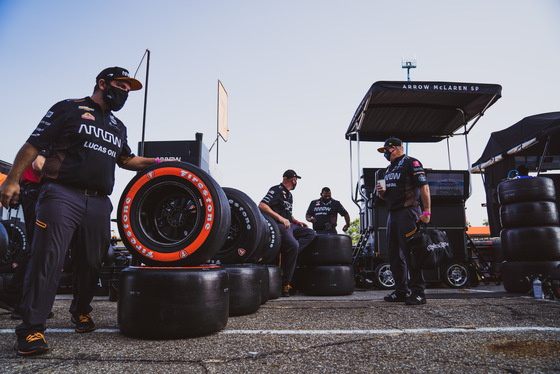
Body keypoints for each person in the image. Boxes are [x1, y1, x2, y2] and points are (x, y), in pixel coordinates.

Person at [0, 66, 162, 356]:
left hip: (99, 201)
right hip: (62, 194)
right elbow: (34, 144)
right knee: (48, 258)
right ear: (102, 83)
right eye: (120, 85)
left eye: (129, 89)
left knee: (92, 261)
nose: (125, 92)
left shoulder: (117, 126)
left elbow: (127, 160)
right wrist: (12, 179)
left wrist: (159, 162)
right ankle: (32, 328)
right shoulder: (68, 109)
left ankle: (81, 311)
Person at [375, 138, 431, 306]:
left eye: (385, 150)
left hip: (408, 212)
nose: (384, 154)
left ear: (393, 149)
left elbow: (424, 187)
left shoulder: (411, 162)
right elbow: (383, 197)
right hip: (392, 214)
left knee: (411, 254)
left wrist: (427, 211)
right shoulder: (387, 169)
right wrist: (381, 192)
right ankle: (401, 290)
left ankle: (419, 292)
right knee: (393, 254)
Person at [0, 153, 55, 320]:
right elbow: (39, 165)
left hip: (38, 191)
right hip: (36, 191)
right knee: (38, 249)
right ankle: (21, 302)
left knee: (38, 248)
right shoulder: (48, 139)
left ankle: (16, 298)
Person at [258, 169, 316, 297]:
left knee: (311, 233)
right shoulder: (276, 189)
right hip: (278, 225)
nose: (296, 183)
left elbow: (288, 213)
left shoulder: (289, 195)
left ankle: (287, 253)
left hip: (290, 225)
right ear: (293, 180)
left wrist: (296, 221)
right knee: (294, 245)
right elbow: (262, 205)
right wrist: (280, 218)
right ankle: (286, 284)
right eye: (296, 180)